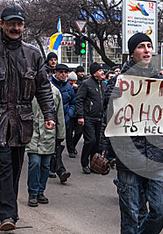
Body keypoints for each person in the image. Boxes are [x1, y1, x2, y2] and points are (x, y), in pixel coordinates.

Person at [99, 33, 163, 233]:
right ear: (132, 53)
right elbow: (106, 119)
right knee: (131, 214)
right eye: (141, 46)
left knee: (161, 210)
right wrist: (103, 151)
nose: (147, 50)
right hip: (128, 156)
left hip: (157, 156)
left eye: (149, 46)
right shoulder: (119, 82)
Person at [0, 4, 55, 231]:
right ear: (1, 24)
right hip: (0, 119)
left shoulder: (32, 53)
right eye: (11, 23)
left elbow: (42, 87)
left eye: (19, 23)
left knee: (14, 168)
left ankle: (7, 211)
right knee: (3, 167)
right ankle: (8, 215)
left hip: (21, 122)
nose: (15, 27)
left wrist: (49, 114)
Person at [26, 83, 65, 207]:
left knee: (45, 165)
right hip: (32, 133)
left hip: (49, 134)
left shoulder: (55, 92)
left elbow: (59, 114)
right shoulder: (28, 89)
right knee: (34, 163)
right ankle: (32, 192)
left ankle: (40, 191)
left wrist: (60, 135)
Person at [76, 62, 106, 174]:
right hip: (88, 117)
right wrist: (80, 116)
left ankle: (94, 163)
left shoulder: (104, 84)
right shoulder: (86, 84)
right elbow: (79, 100)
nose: (102, 72)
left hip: (100, 118)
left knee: (97, 142)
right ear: (94, 73)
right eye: (99, 70)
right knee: (90, 140)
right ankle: (84, 163)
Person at [50, 63, 73, 182]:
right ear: (56, 73)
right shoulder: (49, 85)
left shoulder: (68, 87)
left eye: (65, 72)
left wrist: (69, 114)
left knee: (57, 146)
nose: (63, 74)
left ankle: (52, 166)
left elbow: (73, 102)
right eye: (61, 72)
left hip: (64, 122)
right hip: (50, 122)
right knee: (53, 147)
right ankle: (60, 170)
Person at [66, 71, 82, 158]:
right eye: (71, 81)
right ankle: (70, 149)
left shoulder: (79, 87)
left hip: (77, 113)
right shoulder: (66, 87)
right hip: (70, 113)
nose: (73, 83)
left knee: (79, 132)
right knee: (69, 133)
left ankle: (73, 145)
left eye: (74, 81)